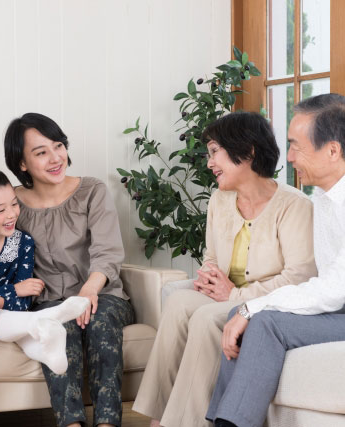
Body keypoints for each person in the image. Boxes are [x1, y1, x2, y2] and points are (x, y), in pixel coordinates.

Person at [207, 94, 345, 427]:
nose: (290, 157)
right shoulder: (327, 198)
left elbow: (342, 285)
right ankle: (220, 421)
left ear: (332, 150)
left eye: (297, 147)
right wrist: (246, 309)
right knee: (242, 317)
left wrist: (252, 307)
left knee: (263, 320)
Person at [132, 112, 317, 427]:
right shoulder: (220, 199)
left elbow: (299, 277)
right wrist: (208, 279)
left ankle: (185, 423)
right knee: (178, 302)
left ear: (248, 152)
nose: (209, 163)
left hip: (266, 305)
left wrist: (236, 294)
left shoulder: (294, 206)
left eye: (215, 151)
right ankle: (159, 418)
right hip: (226, 296)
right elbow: (212, 257)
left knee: (205, 317)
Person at [4, 112, 134, 427]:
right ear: (22, 164)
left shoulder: (92, 191)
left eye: (58, 146)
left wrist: (89, 290)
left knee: (100, 321)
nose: (55, 158)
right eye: (41, 152)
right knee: (58, 328)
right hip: (48, 301)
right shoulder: (11, 203)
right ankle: (71, 424)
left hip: (102, 294)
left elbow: (107, 252)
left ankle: (107, 423)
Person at [0, 167, 89, 374]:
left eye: (14, 204)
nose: (12, 214)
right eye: (1, 210)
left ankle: (50, 350)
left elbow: (23, 304)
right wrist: (14, 290)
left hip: (11, 315)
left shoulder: (24, 243)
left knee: (15, 327)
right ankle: (51, 316)